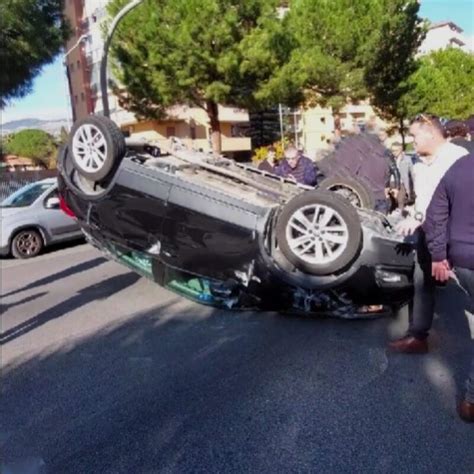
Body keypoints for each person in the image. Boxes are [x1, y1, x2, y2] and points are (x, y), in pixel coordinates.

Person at [388, 114, 468, 353]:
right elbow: (422, 202)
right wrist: (414, 216)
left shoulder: (459, 159)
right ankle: (418, 336)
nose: (412, 141)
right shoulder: (417, 164)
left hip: (456, 237)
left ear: (431, 132)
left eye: (414, 135)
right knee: (421, 282)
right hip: (428, 234)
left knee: (467, 285)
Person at [422, 152, 474, 422]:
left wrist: (439, 255)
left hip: (463, 261)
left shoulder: (459, 167)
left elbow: (435, 215)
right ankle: (471, 400)